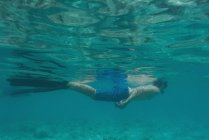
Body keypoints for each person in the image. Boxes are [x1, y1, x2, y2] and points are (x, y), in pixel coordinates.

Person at [7, 69, 167, 108]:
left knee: (93, 94)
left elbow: (138, 90)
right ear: (161, 85)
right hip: (122, 94)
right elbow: (138, 91)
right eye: (165, 86)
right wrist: (126, 102)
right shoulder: (156, 90)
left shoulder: (153, 88)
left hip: (123, 92)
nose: (165, 89)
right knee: (94, 95)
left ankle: (61, 85)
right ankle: (65, 84)